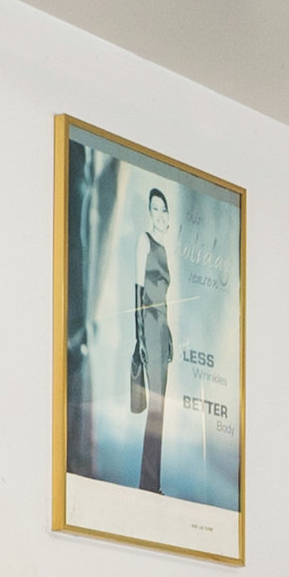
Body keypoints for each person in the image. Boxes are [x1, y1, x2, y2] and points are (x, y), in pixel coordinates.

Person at [124, 178, 180, 493]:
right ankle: (149, 482)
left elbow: (163, 298)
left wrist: (168, 333)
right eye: (154, 209)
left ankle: (151, 481)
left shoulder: (165, 249)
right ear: (149, 213)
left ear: (168, 215)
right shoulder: (144, 241)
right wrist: (140, 338)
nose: (159, 214)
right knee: (156, 407)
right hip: (148, 326)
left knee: (161, 407)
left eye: (163, 209)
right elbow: (138, 291)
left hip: (162, 329)